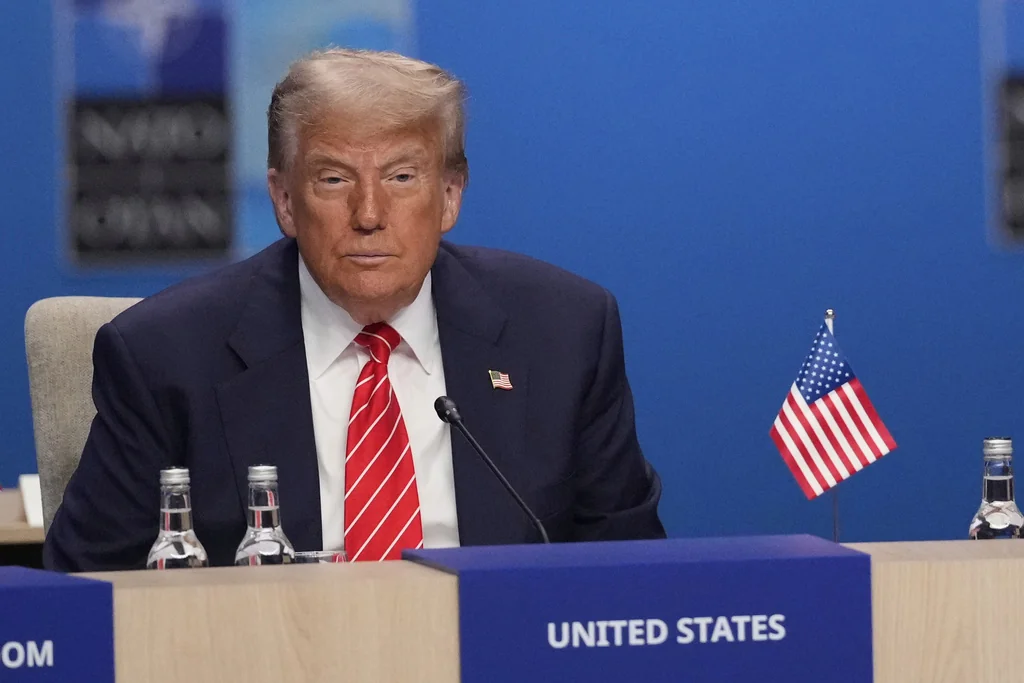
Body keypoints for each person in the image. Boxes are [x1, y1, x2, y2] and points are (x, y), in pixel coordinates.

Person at [44, 48, 665, 571]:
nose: (369, 215)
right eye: (335, 180)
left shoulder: (563, 332)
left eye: (401, 177)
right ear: (285, 200)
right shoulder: (165, 356)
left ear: (449, 197)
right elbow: (85, 596)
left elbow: (630, 578)